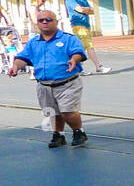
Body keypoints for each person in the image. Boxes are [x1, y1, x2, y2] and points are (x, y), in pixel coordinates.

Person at [7, 9, 90, 147]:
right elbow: (23, 58)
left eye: (48, 19)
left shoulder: (68, 39)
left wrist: (74, 60)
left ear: (56, 22)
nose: (45, 22)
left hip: (67, 82)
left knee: (67, 110)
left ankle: (79, 132)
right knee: (52, 112)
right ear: (37, 23)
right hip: (44, 85)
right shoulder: (34, 42)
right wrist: (16, 66)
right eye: (41, 20)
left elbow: (78, 53)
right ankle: (59, 135)